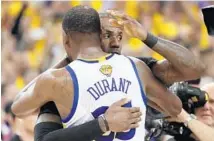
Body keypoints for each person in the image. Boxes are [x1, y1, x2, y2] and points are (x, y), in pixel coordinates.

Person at [17, 8, 206, 141]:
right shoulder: (61, 81)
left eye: (120, 36)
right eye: (108, 35)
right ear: (92, 36)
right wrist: (104, 123)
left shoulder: (139, 66)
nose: (116, 43)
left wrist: (146, 37)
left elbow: (194, 70)